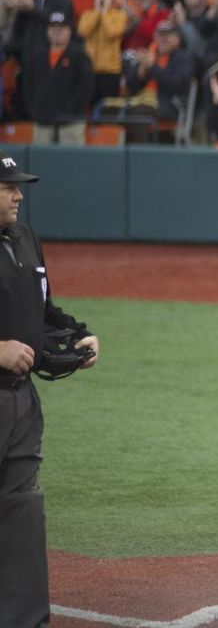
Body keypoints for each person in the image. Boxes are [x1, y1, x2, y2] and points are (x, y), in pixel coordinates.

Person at [0, 149, 100, 628]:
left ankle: (25, 620)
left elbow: (43, 312)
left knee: (22, 509)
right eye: (9, 187)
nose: (19, 194)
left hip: (19, 400)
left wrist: (76, 334)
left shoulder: (23, 238)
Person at [26, 12, 94, 146]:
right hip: (42, 122)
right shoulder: (37, 56)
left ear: (69, 31)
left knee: (72, 163)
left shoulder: (80, 56)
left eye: (61, 29)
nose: (57, 32)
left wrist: (69, 111)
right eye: (53, 29)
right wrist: (34, 109)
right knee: (41, 163)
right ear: (47, 31)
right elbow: (28, 85)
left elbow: (86, 88)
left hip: (70, 123)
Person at [77, 0, 129, 106]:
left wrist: (104, 13)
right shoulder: (87, 15)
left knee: (107, 107)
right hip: (90, 69)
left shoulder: (120, 16)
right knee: (89, 105)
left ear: (112, 0)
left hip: (110, 70)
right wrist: (97, 13)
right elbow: (83, 31)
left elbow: (112, 32)